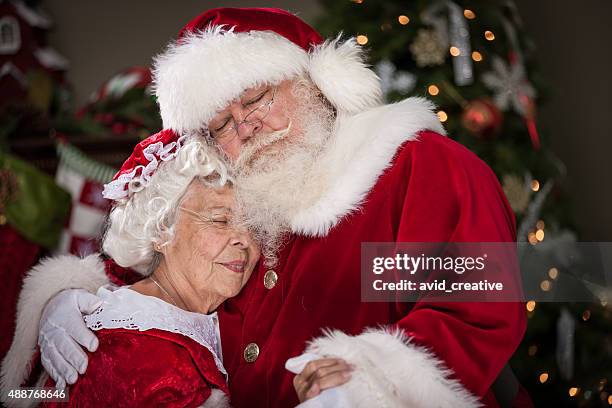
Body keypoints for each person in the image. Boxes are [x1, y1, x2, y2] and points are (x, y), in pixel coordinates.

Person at [1, 7, 530, 408]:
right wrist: (71, 298)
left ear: (314, 83)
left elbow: (472, 306)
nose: (245, 127)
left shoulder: (413, 167)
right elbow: (151, 276)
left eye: (255, 99)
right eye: (221, 124)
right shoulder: (234, 196)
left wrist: (366, 380)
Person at [43, 130, 259, 407]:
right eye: (220, 220)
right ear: (160, 230)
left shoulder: (195, 318)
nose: (245, 238)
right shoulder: (128, 351)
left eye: (254, 224)